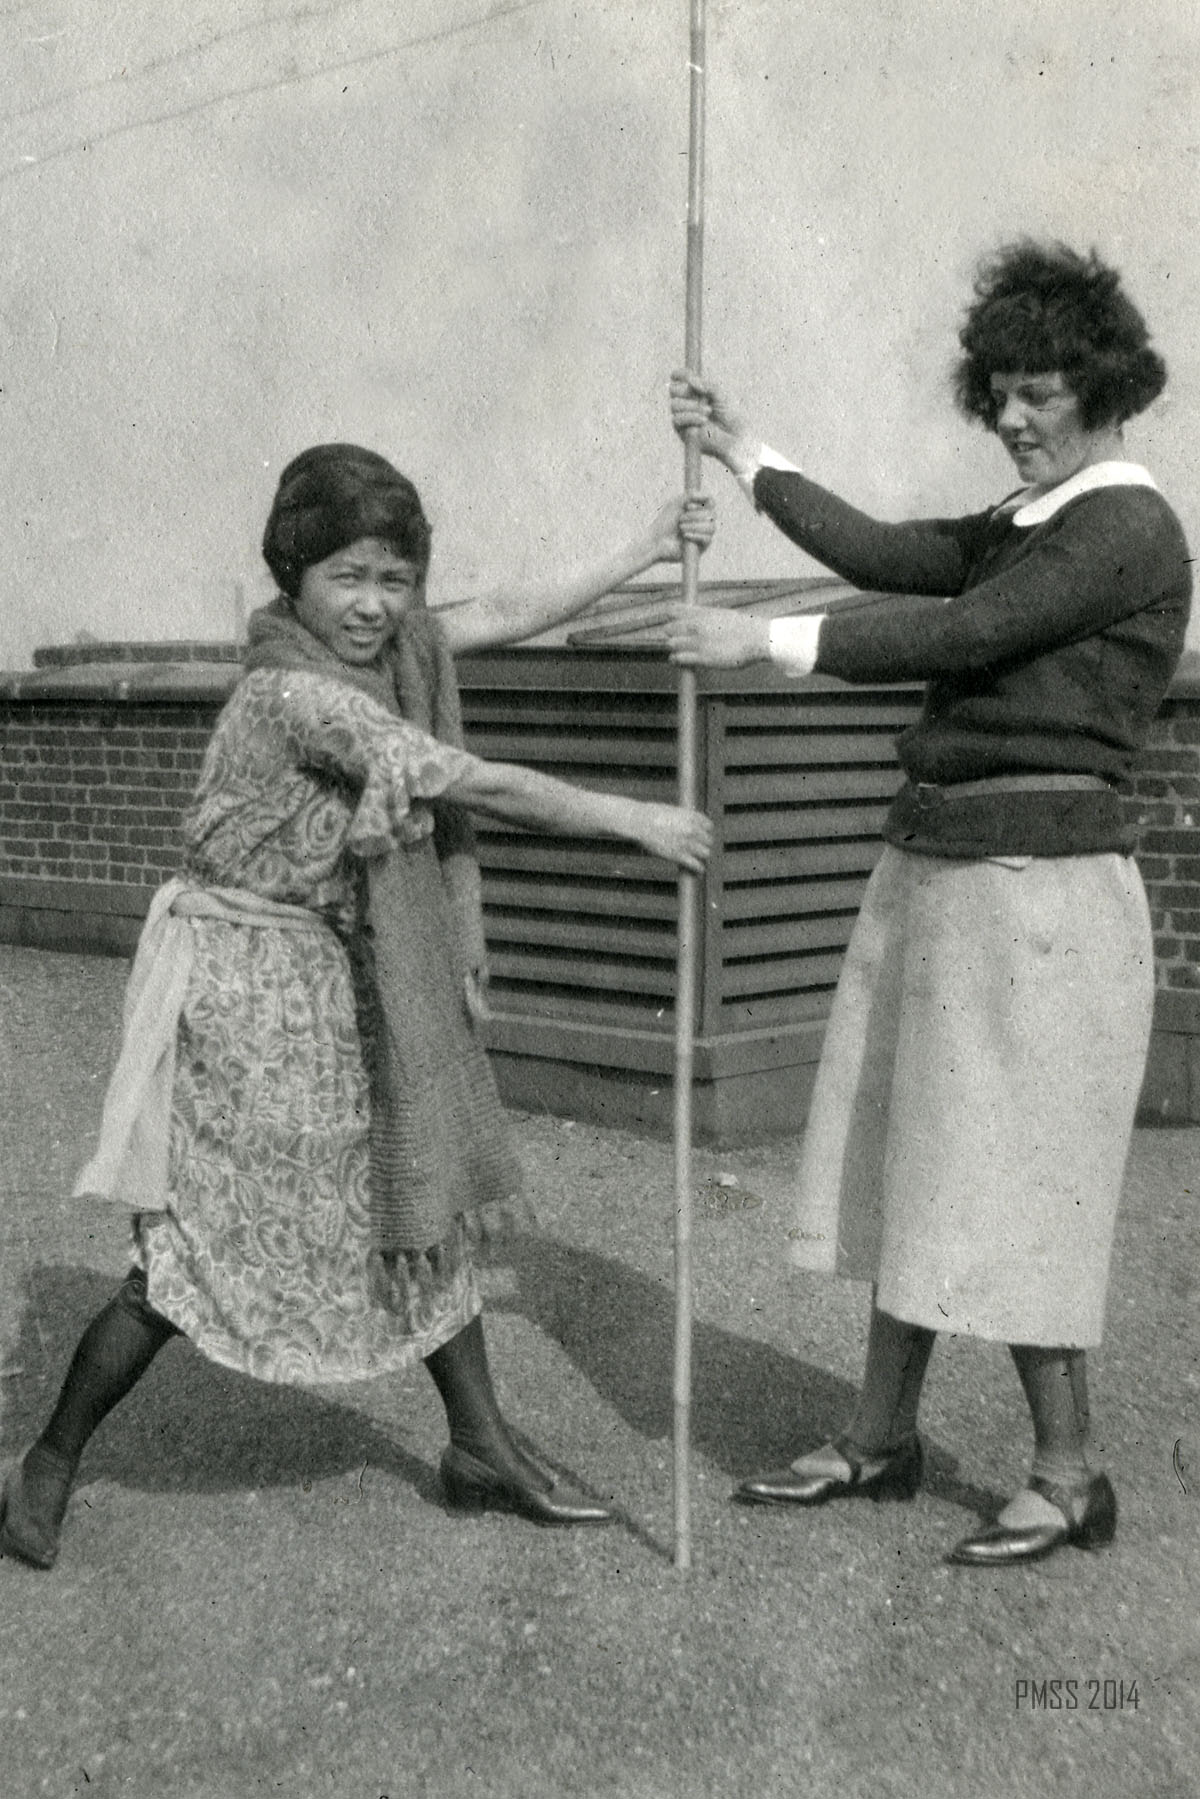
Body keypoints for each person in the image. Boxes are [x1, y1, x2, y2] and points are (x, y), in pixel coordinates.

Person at [0, 445, 714, 1569]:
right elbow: (464, 779)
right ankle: (46, 1460)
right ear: (292, 577)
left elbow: (505, 612)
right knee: (203, 1247)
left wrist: (647, 546)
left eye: (395, 577)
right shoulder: (295, 693)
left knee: (410, 1199)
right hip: (245, 999)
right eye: (347, 576)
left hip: (337, 979)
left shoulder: (392, 650)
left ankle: (479, 1444)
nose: (375, 604)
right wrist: (638, 819)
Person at [663, 240, 1191, 1565]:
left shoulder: (1124, 527)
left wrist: (762, 640)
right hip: (940, 868)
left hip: (1041, 893)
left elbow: (963, 634)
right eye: (997, 392)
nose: (1011, 416)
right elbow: (884, 551)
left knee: (1016, 1180)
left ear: (1104, 387)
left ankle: (1070, 1473)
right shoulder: (1025, 522)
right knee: (907, 1154)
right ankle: (880, 1437)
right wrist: (742, 451)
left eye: (1039, 392)